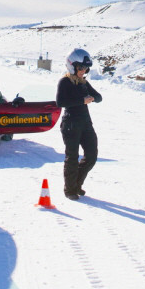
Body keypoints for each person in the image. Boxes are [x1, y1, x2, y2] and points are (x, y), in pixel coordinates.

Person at [56, 48, 102, 200]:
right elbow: (60, 102)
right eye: (81, 67)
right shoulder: (65, 82)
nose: (83, 71)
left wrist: (92, 98)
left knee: (92, 156)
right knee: (72, 157)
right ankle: (70, 190)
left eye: (86, 68)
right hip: (70, 124)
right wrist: (82, 100)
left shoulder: (83, 82)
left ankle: (76, 184)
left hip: (85, 124)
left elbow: (99, 97)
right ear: (72, 66)